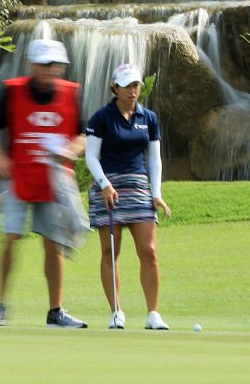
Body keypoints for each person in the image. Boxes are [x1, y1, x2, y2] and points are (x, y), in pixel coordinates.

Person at [0, 38, 89, 329]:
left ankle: (56, 312)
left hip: (53, 182)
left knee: (54, 244)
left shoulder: (70, 95)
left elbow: (83, 134)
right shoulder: (14, 92)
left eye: (56, 64)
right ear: (33, 65)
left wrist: (71, 151)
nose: (51, 69)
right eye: (45, 63)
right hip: (20, 178)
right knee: (11, 237)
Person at [84, 62, 171, 330]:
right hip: (108, 188)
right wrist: (104, 184)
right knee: (110, 252)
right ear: (115, 87)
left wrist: (156, 193)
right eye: (127, 86)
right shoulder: (101, 118)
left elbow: (154, 160)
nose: (133, 91)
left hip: (139, 187)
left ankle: (153, 314)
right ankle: (116, 312)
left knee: (149, 251)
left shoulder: (149, 118)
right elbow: (91, 156)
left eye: (136, 85)